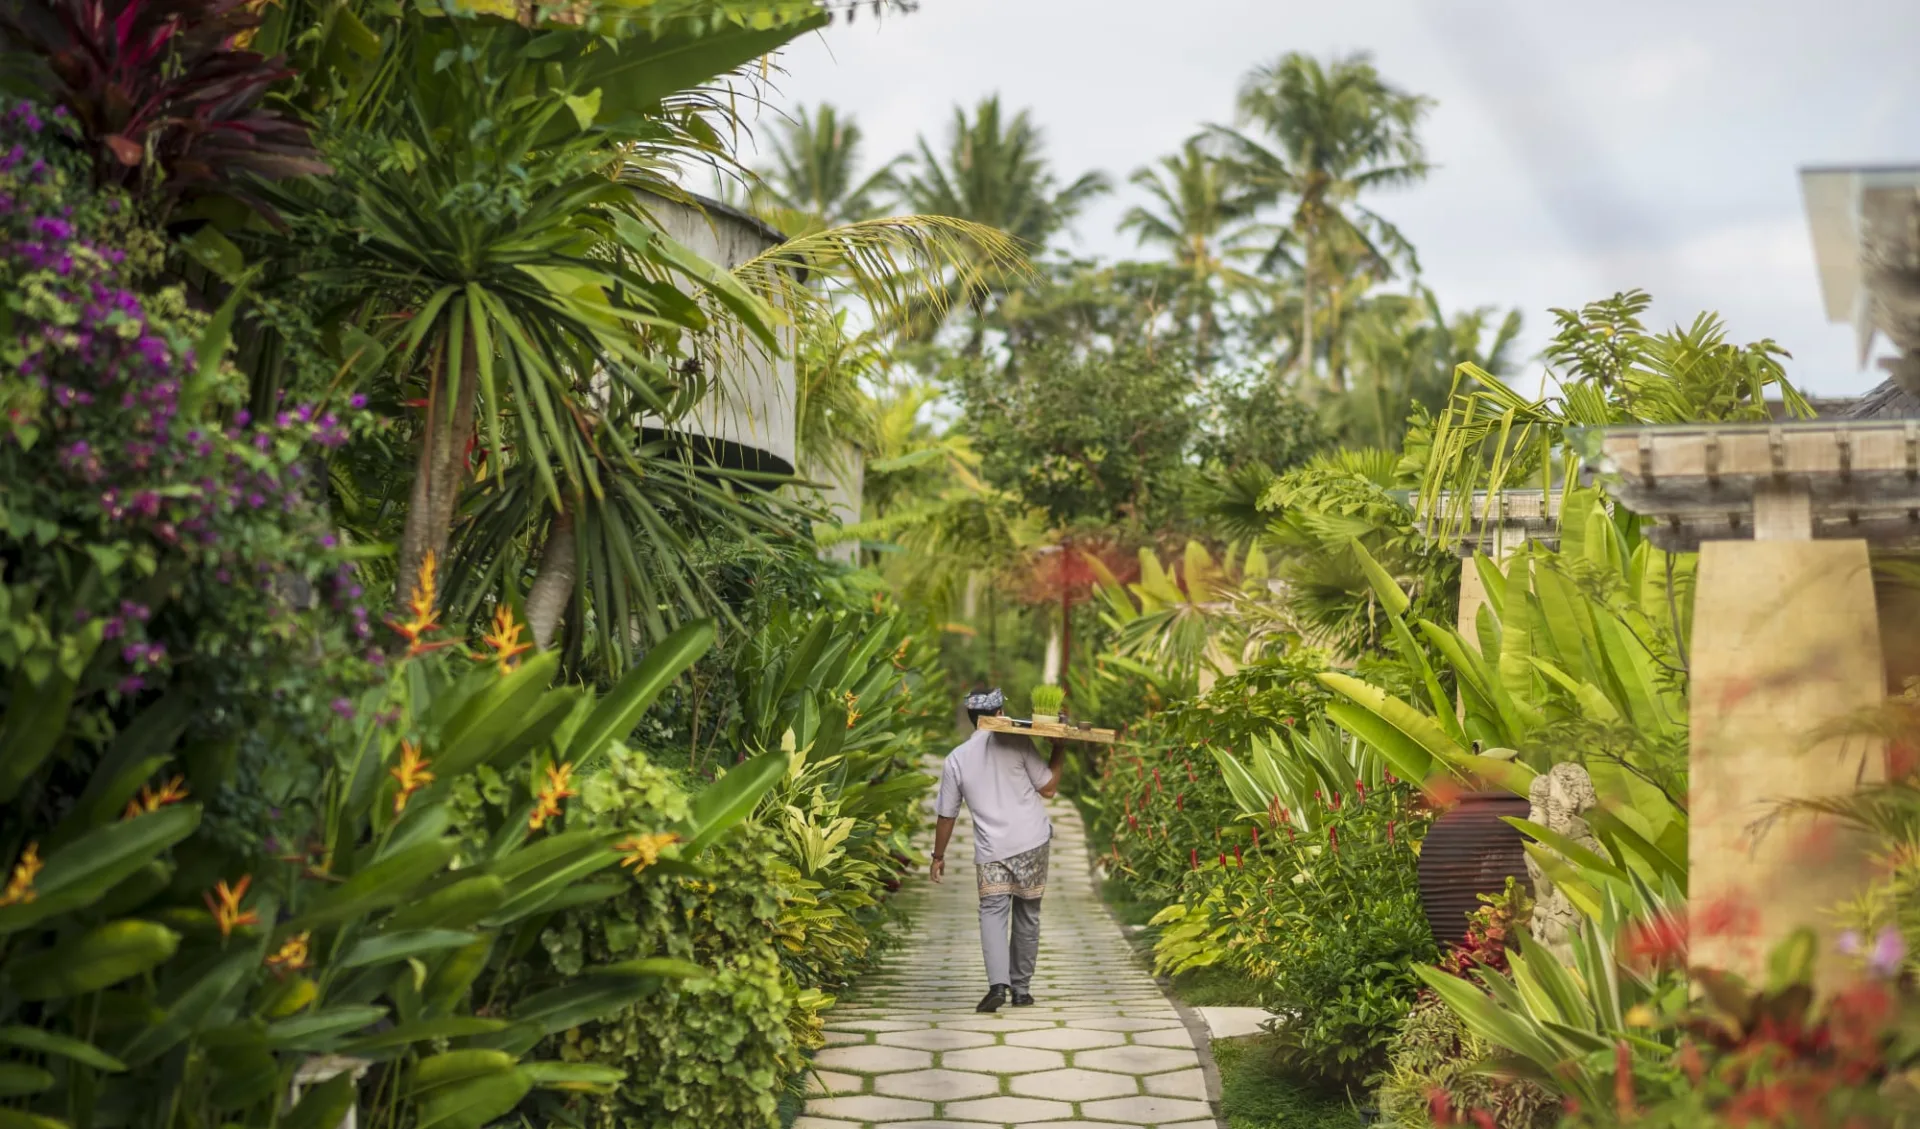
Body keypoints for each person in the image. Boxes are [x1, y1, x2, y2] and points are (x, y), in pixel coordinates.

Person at [930, 687, 1066, 1013]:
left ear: (972, 719)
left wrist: (938, 856)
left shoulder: (956, 760)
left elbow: (946, 815)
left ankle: (997, 986)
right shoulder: (1017, 740)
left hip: (991, 849)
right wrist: (1059, 749)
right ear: (1001, 712)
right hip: (1031, 841)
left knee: (992, 912)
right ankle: (1021, 990)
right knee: (1027, 914)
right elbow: (1048, 789)